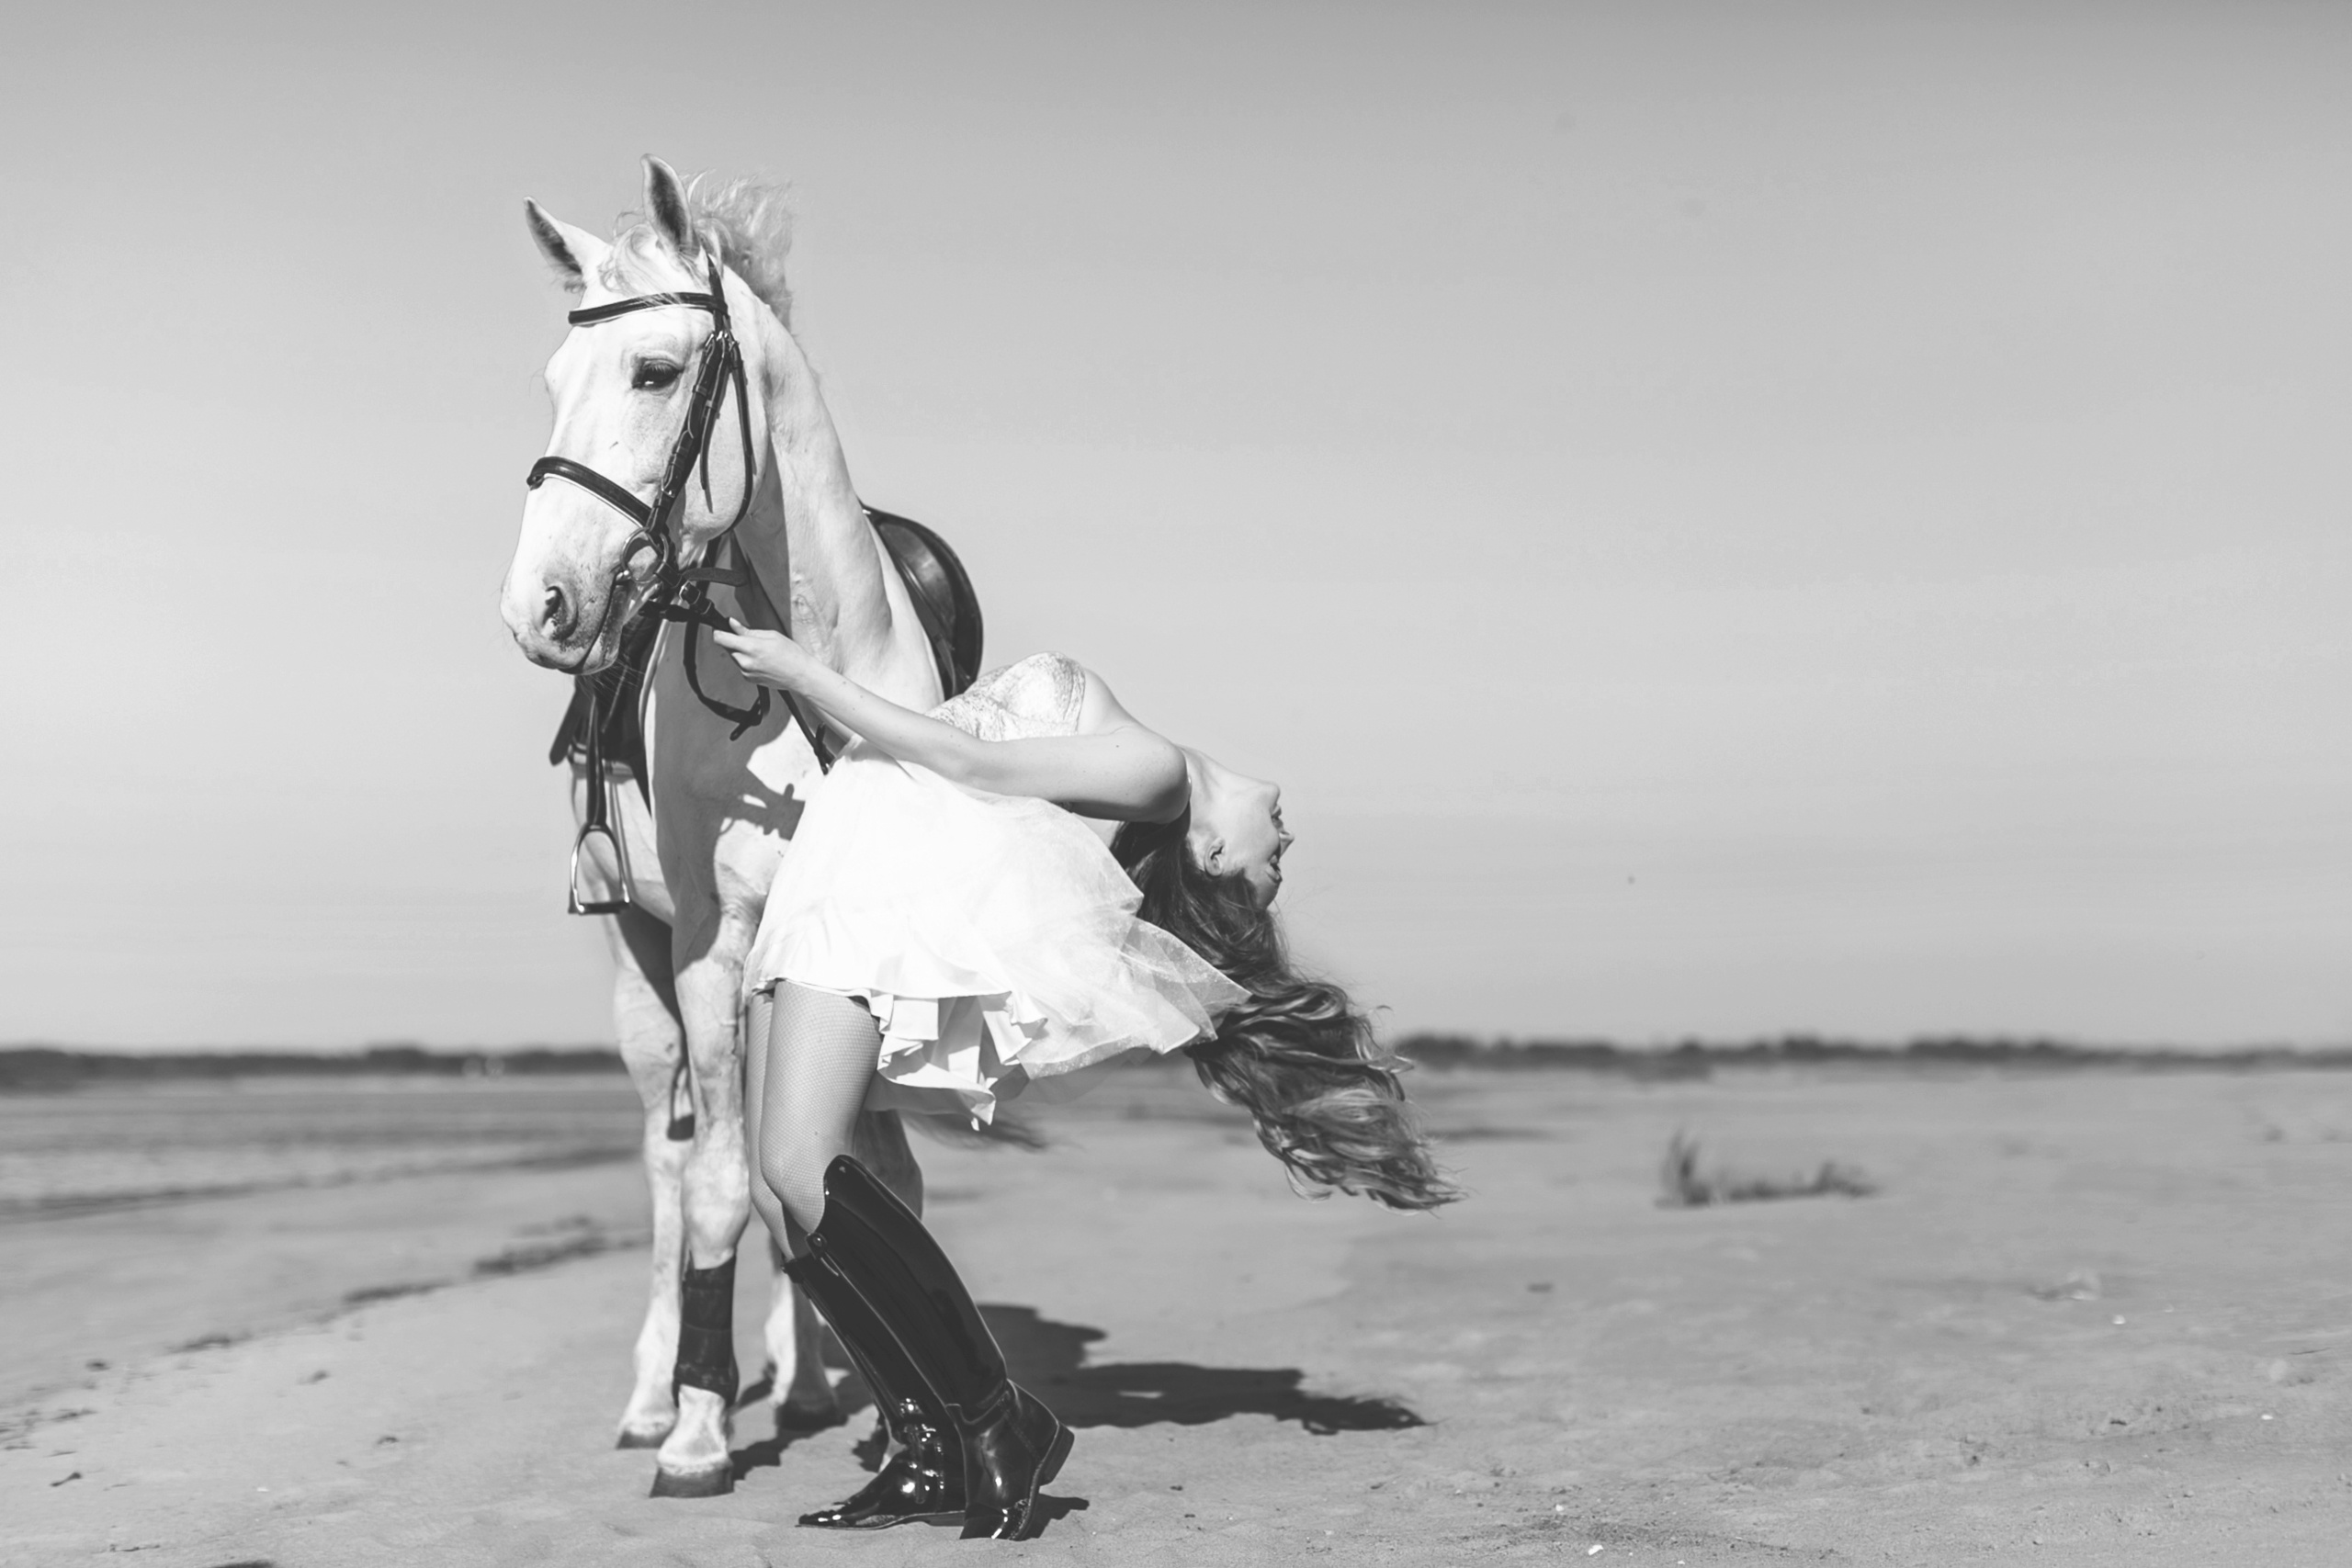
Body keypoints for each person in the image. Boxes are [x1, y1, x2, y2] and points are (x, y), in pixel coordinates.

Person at [711, 623, 1458, 1540]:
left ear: (1212, 854)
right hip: (845, 839)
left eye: (1272, 863)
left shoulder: (1158, 774)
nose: (1286, 840)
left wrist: (801, 672)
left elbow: (967, 761)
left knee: (799, 1164)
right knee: (773, 1188)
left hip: (879, 873)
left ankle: (997, 1419)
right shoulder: (1140, 756)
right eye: (1282, 857)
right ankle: (930, 1444)